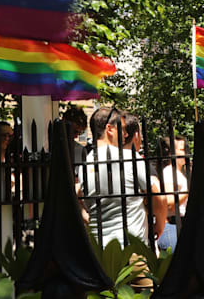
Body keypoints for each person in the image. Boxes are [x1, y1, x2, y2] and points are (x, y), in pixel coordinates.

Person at [79, 108, 154, 248]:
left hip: (99, 249)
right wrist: (159, 225)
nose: (125, 135)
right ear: (110, 129)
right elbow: (157, 194)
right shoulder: (129, 157)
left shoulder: (84, 164)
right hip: (132, 249)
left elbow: (79, 196)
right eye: (123, 129)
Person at [156, 135, 189, 252]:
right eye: (182, 149)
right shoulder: (170, 172)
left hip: (178, 224)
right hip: (172, 226)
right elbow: (169, 201)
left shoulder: (178, 173)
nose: (185, 152)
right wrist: (188, 190)